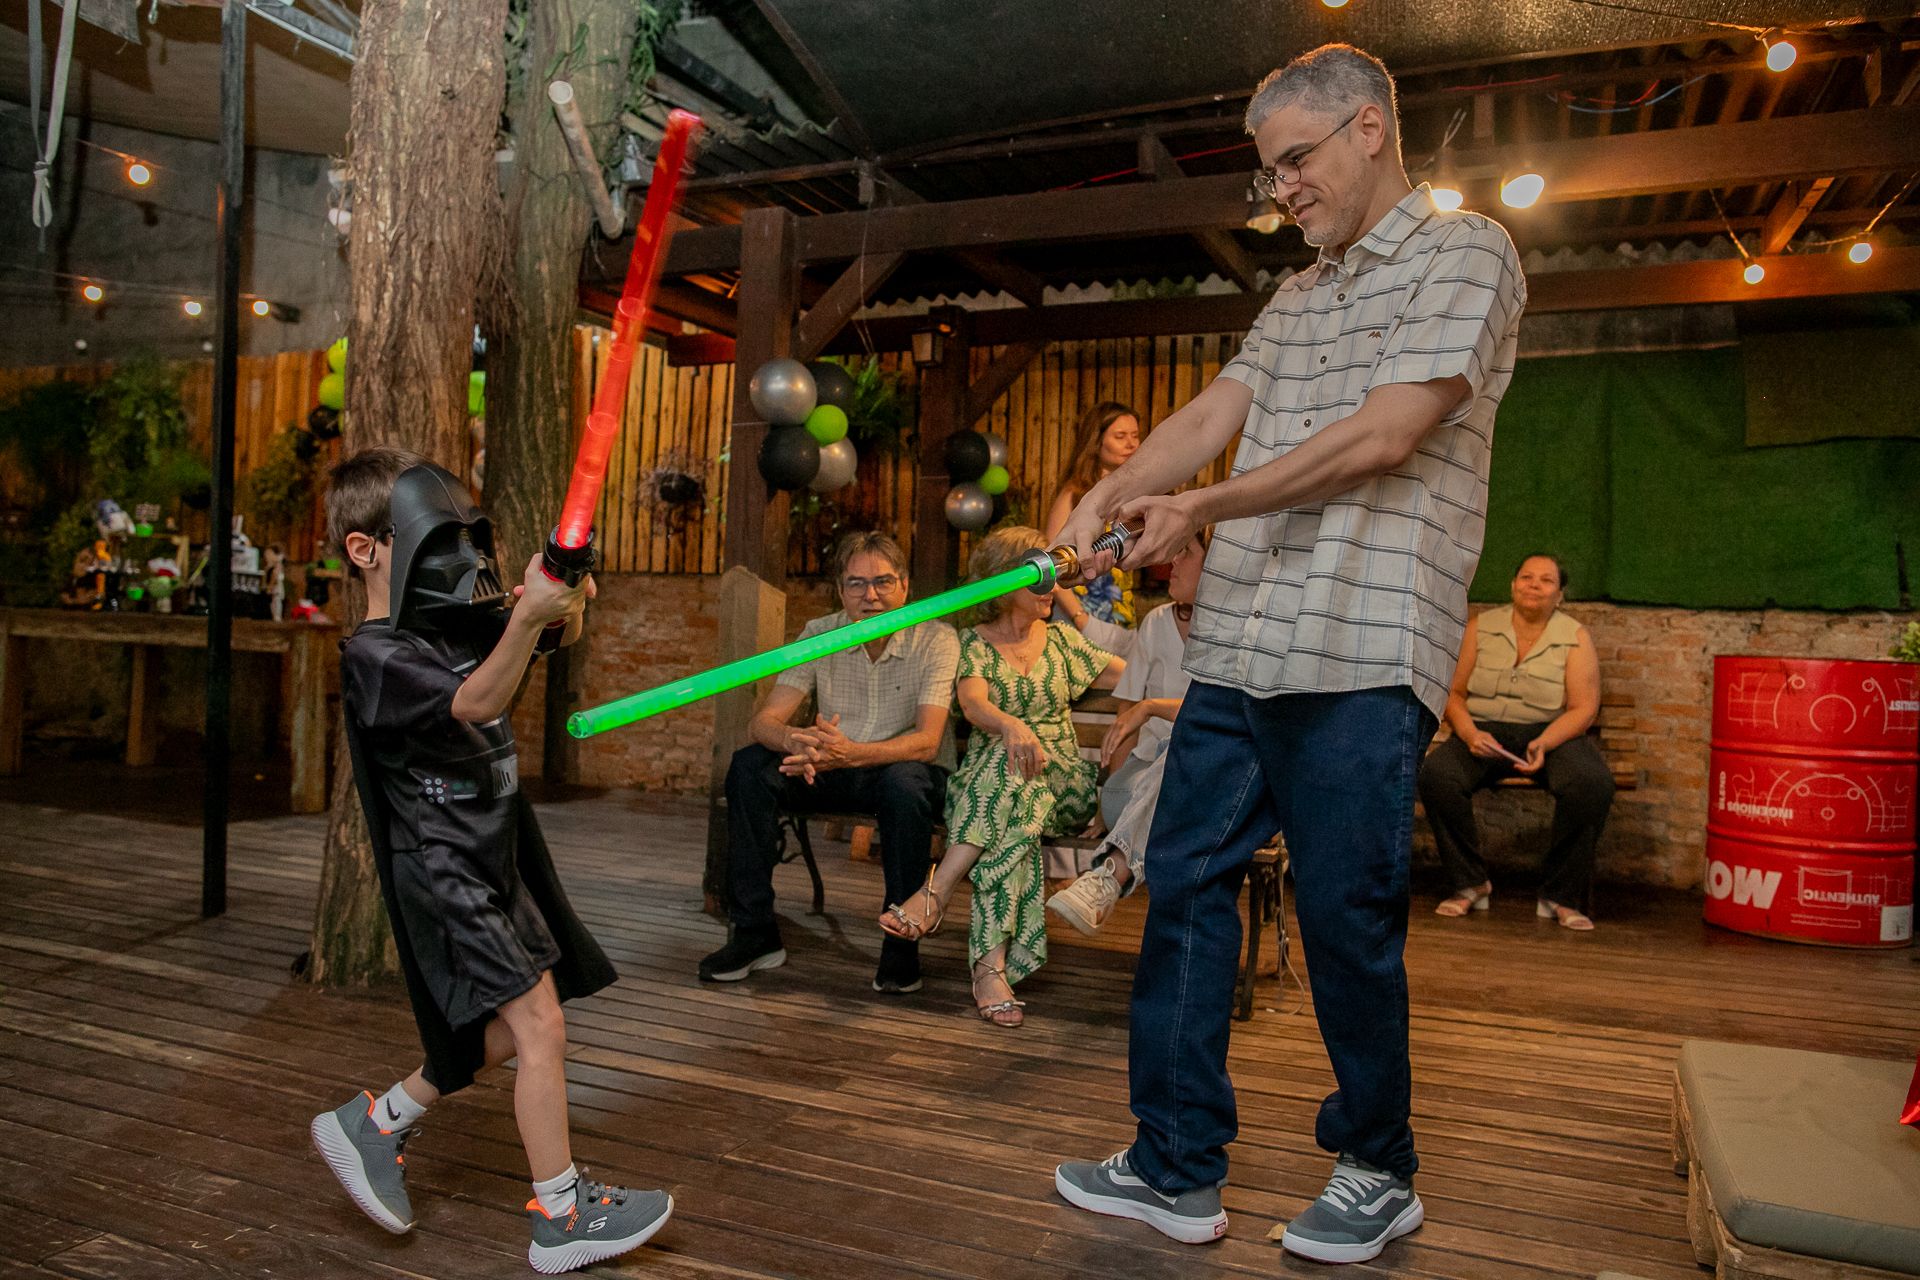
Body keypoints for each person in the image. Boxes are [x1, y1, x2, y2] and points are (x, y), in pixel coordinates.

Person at [1049, 43, 1526, 1263]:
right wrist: (1110, 491)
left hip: (1364, 651)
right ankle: (1174, 1161)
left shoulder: (1464, 253)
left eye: (1295, 161)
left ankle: (1379, 1162)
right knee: (1186, 888)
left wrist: (1200, 510)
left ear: (1369, 129)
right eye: (1271, 174)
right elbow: (1213, 414)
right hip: (1244, 647)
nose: (1285, 191)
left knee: (1344, 916)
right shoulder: (1300, 291)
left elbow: (1387, 433)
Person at [311, 447, 672, 1275]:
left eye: (470, 540)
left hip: (494, 861)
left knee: (506, 1036)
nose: (465, 560)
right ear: (366, 549)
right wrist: (522, 619)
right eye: (438, 541)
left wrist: (563, 594)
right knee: (542, 1028)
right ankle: (561, 1213)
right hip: (446, 871)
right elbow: (475, 701)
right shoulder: (375, 656)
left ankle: (377, 1123)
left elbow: (552, 630)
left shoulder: (450, 626)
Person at [878, 526, 1124, 1026]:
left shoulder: (1061, 642)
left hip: (1064, 786)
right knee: (1015, 799)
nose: (1053, 588)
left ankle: (937, 893)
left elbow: (1139, 673)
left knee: (1018, 785)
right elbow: (972, 703)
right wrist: (1011, 726)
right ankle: (991, 969)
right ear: (1006, 583)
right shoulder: (971, 644)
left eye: (1054, 578)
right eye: (1042, 578)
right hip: (993, 781)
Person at [701, 531, 959, 994]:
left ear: (904, 586)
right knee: (749, 767)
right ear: (841, 590)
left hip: (899, 770)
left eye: (883, 582)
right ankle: (754, 933)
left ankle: (901, 948)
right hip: (830, 765)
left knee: (906, 786)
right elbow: (763, 722)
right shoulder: (820, 634)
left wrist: (850, 754)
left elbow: (926, 742)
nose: (871, 595)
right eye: (856, 584)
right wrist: (796, 739)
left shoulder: (936, 638)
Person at [1418, 553, 1613, 930]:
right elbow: (1452, 693)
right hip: (1486, 733)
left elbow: (1583, 708)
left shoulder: (1574, 636)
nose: (1534, 585)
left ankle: (1560, 896)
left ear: (1560, 595)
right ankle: (1470, 883)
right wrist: (1470, 733)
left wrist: (1544, 742)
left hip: (1550, 734)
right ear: (1513, 585)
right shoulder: (1480, 628)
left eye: (1545, 580)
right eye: (1526, 577)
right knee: (1436, 775)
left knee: (1591, 785)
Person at [1046, 529, 1209, 934]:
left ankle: (1108, 875)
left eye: (1185, 553)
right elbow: (1125, 723)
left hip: (1204, 787)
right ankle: (1111, 870)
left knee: (1183, 746)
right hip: (1141, 789)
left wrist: (1153, 707)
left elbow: (1219, 714)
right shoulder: (1156, 623)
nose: (1172, 564)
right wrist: (1107, 804)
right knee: (1174, 760)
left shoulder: (1238, 633)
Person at [1045, 401, 1145, 650]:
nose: (1131, 444)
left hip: (1122, 617)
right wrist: (1081, 619)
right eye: (1120, 436)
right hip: (1079, 617)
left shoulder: (1134, 495)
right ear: (1096, 442)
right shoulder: (1074, 495)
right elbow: (1053, 567)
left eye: (1135, 435)